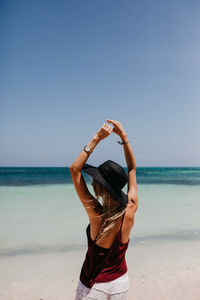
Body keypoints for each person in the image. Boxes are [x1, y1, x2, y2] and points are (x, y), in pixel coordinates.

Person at [70, 119, 138, 300]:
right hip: (121, 284)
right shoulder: (130, 208)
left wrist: (97, 138)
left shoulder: (97, 215)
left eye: (97, 179)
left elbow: (74, 170)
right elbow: (132, 170)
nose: (93, 181)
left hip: (93, 288)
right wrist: (124, 137)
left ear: (101, 187)